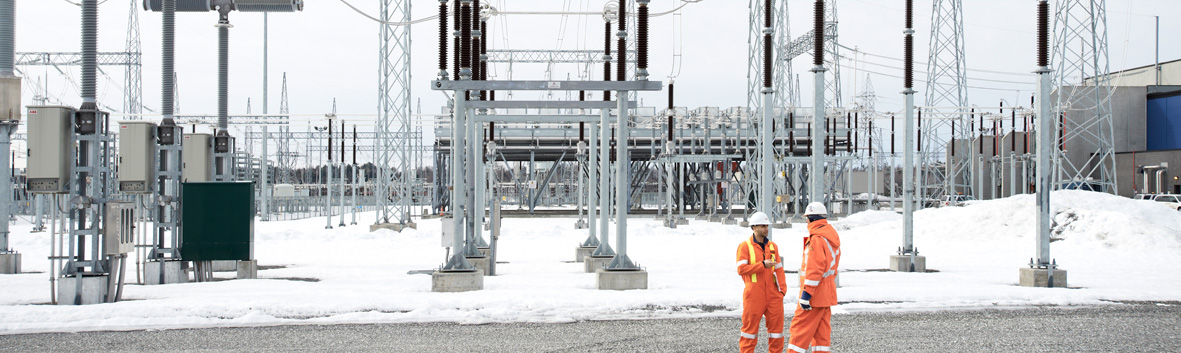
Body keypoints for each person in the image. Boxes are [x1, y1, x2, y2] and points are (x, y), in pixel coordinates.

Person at [787, 202, 842, 353]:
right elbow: (832, 268)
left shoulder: (817, 239)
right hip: (826, 294)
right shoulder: (831, 237)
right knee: (821, 337)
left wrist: (806, 294)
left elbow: (815, 269)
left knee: (799, 332)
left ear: (811, 219)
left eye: (807, 219)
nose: (806, 222)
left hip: (814, 296)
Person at [736, 211, 786, 353]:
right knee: (749, 332)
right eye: (763, 226)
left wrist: (782, 290)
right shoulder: (744, 246)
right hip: (754, 295)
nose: (766, 229)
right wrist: (762, 265)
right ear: (754, 227)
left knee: (777, 333)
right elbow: (741, 269)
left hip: (773, 295)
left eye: (767, 226)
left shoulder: (772, 246)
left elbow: (779, 270)